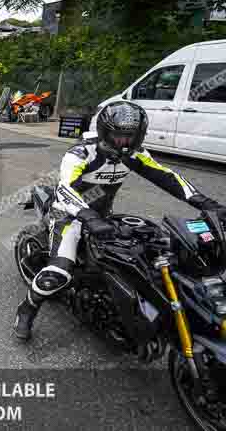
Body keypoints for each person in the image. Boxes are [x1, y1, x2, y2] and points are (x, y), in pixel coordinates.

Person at [13, 101, 226, 341]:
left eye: (131, 136)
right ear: (105, 131)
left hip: (102, 216)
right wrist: (88, 217)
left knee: (154, 254)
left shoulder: (136, 155)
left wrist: (207, 204)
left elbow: (168, 178)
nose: (125, 142)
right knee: (58, 273)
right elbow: (64, 190)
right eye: (118, 135)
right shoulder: (81, 153)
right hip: (68, 215)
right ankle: (27, 309)